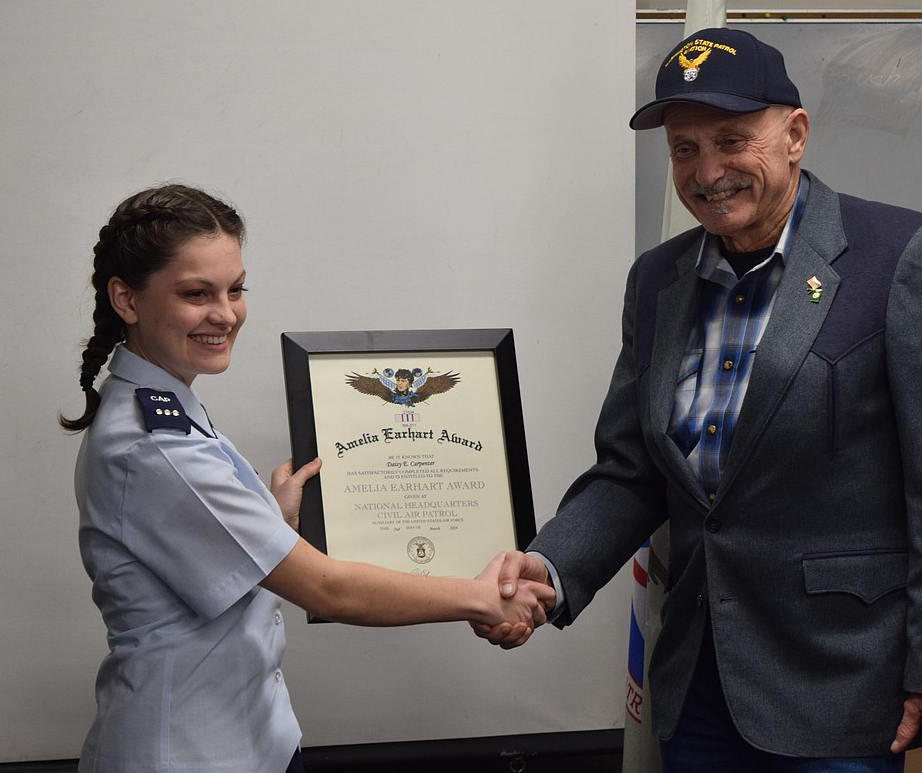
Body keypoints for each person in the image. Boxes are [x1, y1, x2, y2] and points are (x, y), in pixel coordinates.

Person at [479, 28, 922, 773]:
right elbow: (631, 471)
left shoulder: (900, 257)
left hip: (840, 686)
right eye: (684, 148)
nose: (707, 170)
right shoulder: (657, 280)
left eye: (731, 140)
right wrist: (549, 570)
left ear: (795, 135)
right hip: (699, 684)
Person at [59, 184, 554, 773]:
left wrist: (269, 520)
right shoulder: (152, 443)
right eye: (197, 294)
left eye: (236, 289)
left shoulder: (164, 404)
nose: (226, 313)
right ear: (127, 299)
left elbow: (199, 550)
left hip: (246, 737)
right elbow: (327, 589)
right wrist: (482, 597)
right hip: (191, 751)